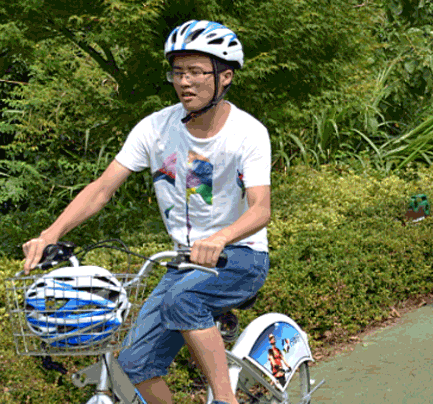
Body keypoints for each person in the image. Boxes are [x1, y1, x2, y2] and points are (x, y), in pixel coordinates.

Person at [21, 20, 272, 404]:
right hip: (184, 263)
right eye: (177, 72)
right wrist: (50, 234)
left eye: (196, 72)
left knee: (182, 301)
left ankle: (226, 400)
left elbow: (260, 210)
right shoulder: (155, 128)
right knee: (134, 364)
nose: (184, 82)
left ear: (225, 77)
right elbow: (102, 189)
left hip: (240, 256)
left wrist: (221, 237)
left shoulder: (247, 133)